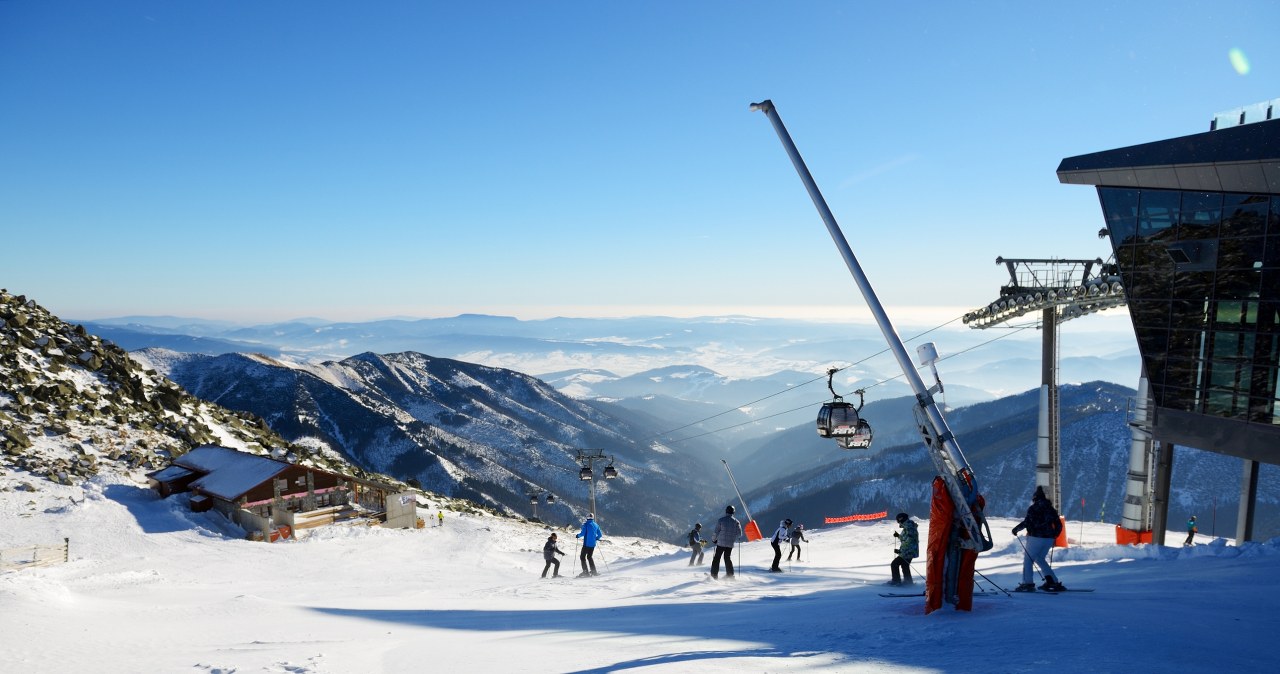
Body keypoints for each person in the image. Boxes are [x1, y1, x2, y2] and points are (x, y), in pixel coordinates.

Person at [1012, 486, 1065, 592]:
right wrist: (1055, 534)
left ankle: (1027, 584)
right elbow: (1058, 524)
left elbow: (1027, 522)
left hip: (1036, 537)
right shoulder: (1051, 509)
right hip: (1049, 538)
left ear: (1035, 498)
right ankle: (1053, 581)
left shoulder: (1033, 508)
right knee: (1040, 558)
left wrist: (1016, 529)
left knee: (1028, 560)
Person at [711, 505, 742, 579]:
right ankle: (730, 575)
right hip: (730, 544)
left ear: (726, 511)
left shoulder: (721, 520)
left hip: (721, 543)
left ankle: (714, 576)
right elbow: (739, 534)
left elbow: (716, 532)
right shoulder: (736, 522)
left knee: (717, 558)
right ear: (733, 512)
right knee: (727, 558)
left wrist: (714, 540)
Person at [888, 512, 918, 586]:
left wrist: (900, 551)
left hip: (908, 551)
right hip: (909, 551)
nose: (898, 523)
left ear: (901, 520)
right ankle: (908, 582)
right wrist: (898, 536)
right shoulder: (908, 526)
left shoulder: (909, 527)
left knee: (894, 564)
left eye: (898, 521)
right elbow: (906, 538)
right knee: (905, 565)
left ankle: (896, 581)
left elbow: (910, 540)